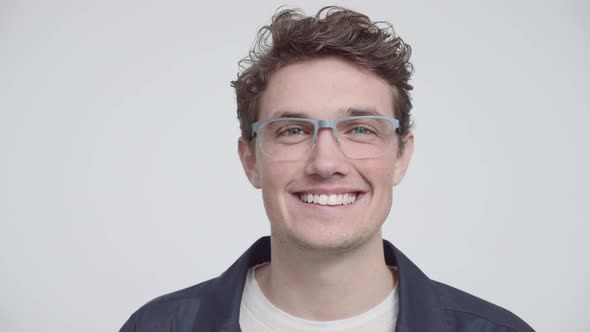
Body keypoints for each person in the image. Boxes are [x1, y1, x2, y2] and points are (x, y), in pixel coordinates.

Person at [120, 6, 534, 332]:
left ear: (401, 156)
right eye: (293, 130)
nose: (326, 163)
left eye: (359, 129)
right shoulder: (157, 327)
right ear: (250, 160)